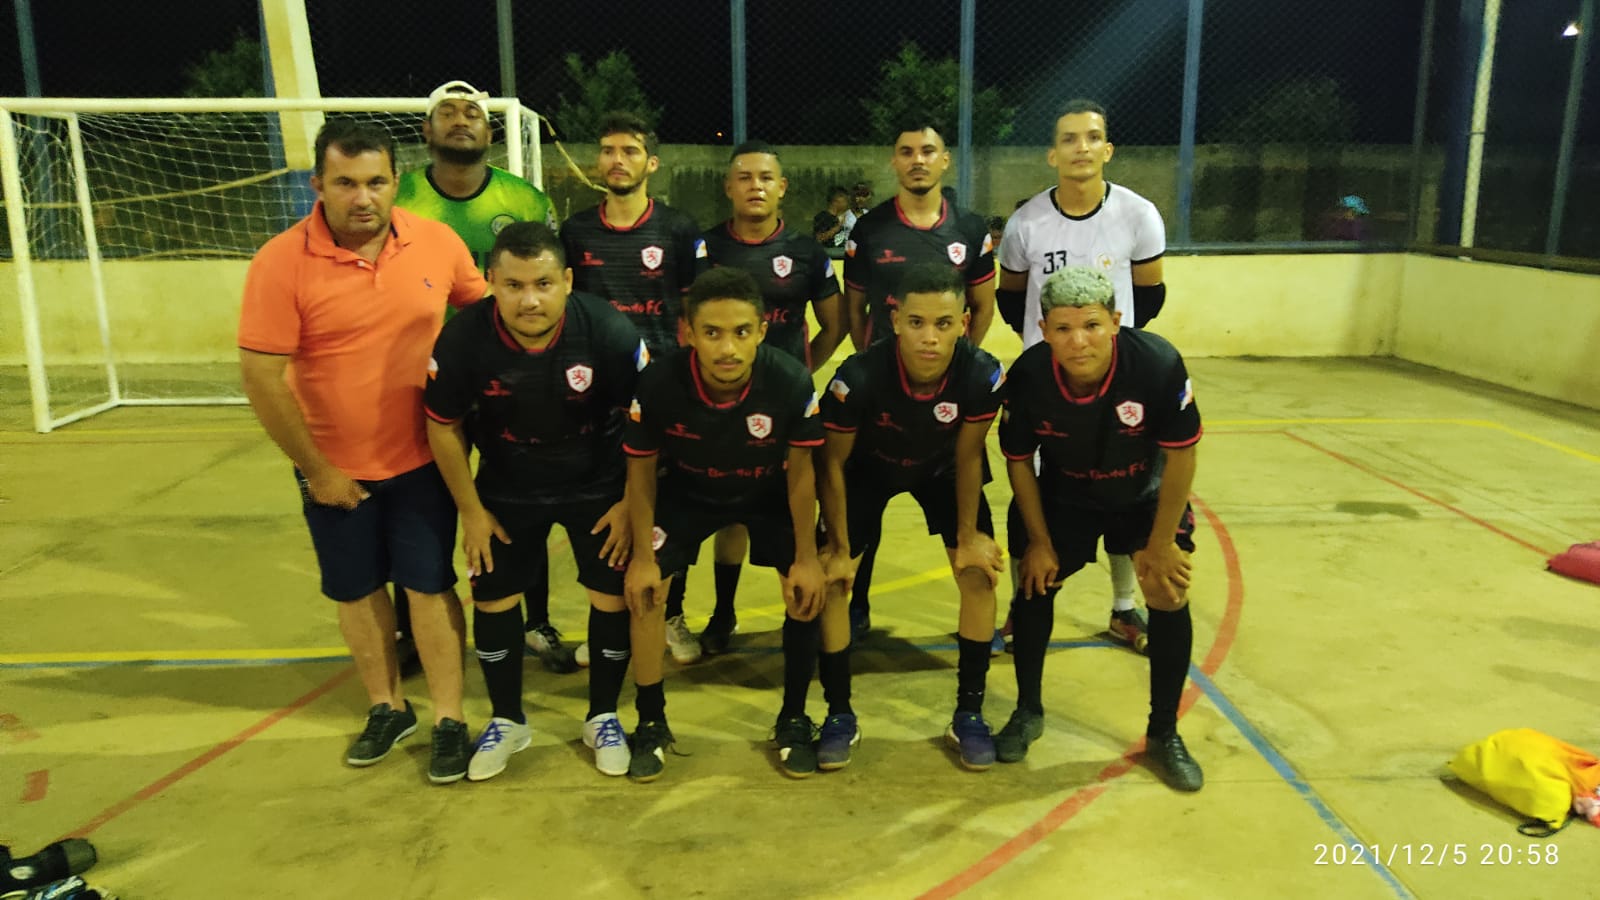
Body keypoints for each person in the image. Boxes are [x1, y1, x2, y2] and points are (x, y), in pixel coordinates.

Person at [237, 118, 486, 784]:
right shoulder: (279, 262)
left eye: (375, 181)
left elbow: (487, 319)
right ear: (318, 184)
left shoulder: (438, 243)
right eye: (345, 183)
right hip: (335, 471)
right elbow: (260, 376)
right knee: (356, 591)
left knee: (430, 587)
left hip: (426, 460)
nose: (362, 197)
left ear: (395, 182)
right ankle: (386, 706)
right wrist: (319, 471)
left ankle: (449, 717)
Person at [424, 222, 650, 781]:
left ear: (568, 281)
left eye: (544, 283)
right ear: (491, 282)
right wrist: (471, 512)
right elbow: (442, 427)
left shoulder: (607, 332)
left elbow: (649, 423)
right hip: (505, 486)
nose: (530, 299)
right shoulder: (462, 340)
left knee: (610, 597)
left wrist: (629, 502)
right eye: (515, 284)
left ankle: (601, 716)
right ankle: (508, 720)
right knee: (495, 601)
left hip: (597, 483)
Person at [995, 266, 1204, 792]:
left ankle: (1163, 732)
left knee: (1165, 588)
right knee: (1034, 582)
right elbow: (1019, 461)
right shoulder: (1029, 375)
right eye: (1062, 329)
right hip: (1066, 495)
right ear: (1044, 330)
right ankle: (1027, 710)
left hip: (1142, 494)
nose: (1077, 341)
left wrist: (1159, 545)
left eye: (1090, 325)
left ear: (1115, 321)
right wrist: (1039, 544)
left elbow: (1182, 456)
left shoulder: (1156, 365)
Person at [394, 79, 573, 674]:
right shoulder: (399, 198)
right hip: (424, 381)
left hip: (511, 379)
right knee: (424, 508)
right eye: (446, 112)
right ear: (427, 130)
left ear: (490, 132)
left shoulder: (524, 199)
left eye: (472, 112)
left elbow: (548, 287)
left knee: (527, 499)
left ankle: (537, 624)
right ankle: (414, 626)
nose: (460, 120)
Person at [621, 267, 826, 780]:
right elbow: (641, 474)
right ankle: (650, 721)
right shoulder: (659, 383)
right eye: (712, 333)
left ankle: (794, 717)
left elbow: (802, 478)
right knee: (646, 594)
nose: (727, 348)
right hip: (688, 493)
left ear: (761, 330)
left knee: (804, 592)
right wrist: (643, 559)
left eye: (740, 332)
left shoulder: (790, 380)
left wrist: (805, 558)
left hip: (765, 492)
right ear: (687, 333)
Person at [815, 263, 1007, 771]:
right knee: (832, 582)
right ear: (895, 320)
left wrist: (968, 537)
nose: (930, 336)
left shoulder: (982, 373)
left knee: (978, 574)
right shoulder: (855, 378)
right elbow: (831, 462)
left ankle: (969, 714)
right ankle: (838, 715)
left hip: (940, 468)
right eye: (917, 322)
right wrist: (836, 549)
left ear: (964, 323)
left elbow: (969, 457)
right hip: (866, 470)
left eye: (944, 324)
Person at [997, 98, 1169, 654]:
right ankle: (1024, 610)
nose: (1081, 148)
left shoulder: (1139, 215)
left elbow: (1150, 295)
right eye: (1069, 139)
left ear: (1108, 149)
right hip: (1049, 388)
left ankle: (1123, 608)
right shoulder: (1026, 223)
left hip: (1116, 385)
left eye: (1092, 137)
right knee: (1038, 501)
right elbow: (1010, 298)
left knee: (1121, 492)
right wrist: (1051, 354)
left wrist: (1107, 354)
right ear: (1053, 154)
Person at [561, 111, 709, 666]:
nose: (616, 159)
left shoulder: (678, 229)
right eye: (607, 150)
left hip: (664, 389)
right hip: (595, 393)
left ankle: (670, 614)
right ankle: (607, 618)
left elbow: (696, 310)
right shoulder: (575, 232)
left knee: (667, 505)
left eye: (629, 150)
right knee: (602, 502)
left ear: (652, 162)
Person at [841, 120, 997, 640]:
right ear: (894, 162)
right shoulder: (870, 230)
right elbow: (855, 303)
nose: (917, 160)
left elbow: (981, 303)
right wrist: (873, 363)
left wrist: (957, 360)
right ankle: (855, 606)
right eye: (906, 152)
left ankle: (980, 611)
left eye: (928, 150)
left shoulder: (971, 229)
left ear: (944, 160)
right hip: (883, 396)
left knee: (958, 495)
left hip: (943, 398)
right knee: (864, 505)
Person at [699, 142, 845, 656]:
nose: (755, 186)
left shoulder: (806, 252)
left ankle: (800, 613)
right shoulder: (707, 249)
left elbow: (835, 323)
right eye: (744, 177)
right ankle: (722, 612)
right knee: (732, 511)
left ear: (782, 187)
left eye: (765, 177)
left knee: (794, 505)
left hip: (783, 408)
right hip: (720, 404)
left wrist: (801, 374)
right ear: (729, 187)